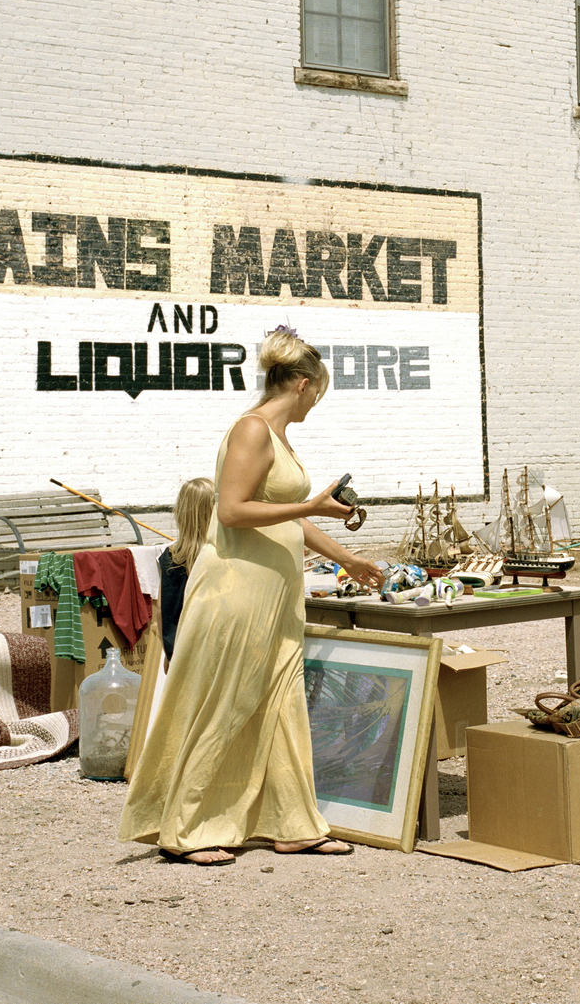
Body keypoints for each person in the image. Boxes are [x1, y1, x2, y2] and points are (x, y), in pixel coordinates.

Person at [118, 327, 386, 865]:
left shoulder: (278, 437)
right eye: (319, 394)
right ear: (305, 385)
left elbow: (287, 519)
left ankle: (292, 823)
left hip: (276, 595)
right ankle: (185, 828)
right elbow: (233, 511)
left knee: (281, 705)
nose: (317, 404)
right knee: (227, 702)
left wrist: (348, 558)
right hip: (237, 591)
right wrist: (310, 506)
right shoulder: (252, 431)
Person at [158, 477, 215, 668]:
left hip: (181, 653)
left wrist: (168, 652)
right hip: (213, 651)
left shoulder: (170, 557)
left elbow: (163, 609)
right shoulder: (220, 555)